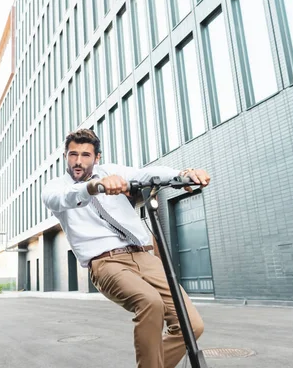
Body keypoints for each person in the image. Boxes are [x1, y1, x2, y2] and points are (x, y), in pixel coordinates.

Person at [42, 129, 211, 368]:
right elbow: (62, 199)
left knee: (192, 325)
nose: (78, 161)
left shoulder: (112, 171)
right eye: (73, 154)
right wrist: (94, 186)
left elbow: (147, 173)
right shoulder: (55, 186)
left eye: (85, 155)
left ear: (96, 157)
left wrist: (183, 174)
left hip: (144, 255)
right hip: (106, 263)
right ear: (65, 155)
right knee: (149, 302)